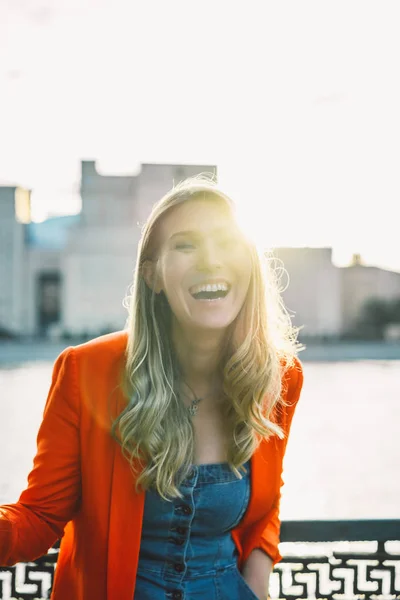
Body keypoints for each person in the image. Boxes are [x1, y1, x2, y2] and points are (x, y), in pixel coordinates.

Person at [0, 176, 304, 600]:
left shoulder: (280, 377)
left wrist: (257, 583)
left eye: (226, 241)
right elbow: (38, 517)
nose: (210, 260)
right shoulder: (86, 371)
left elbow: (266, 503)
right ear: (153, 277)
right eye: (185, 245)